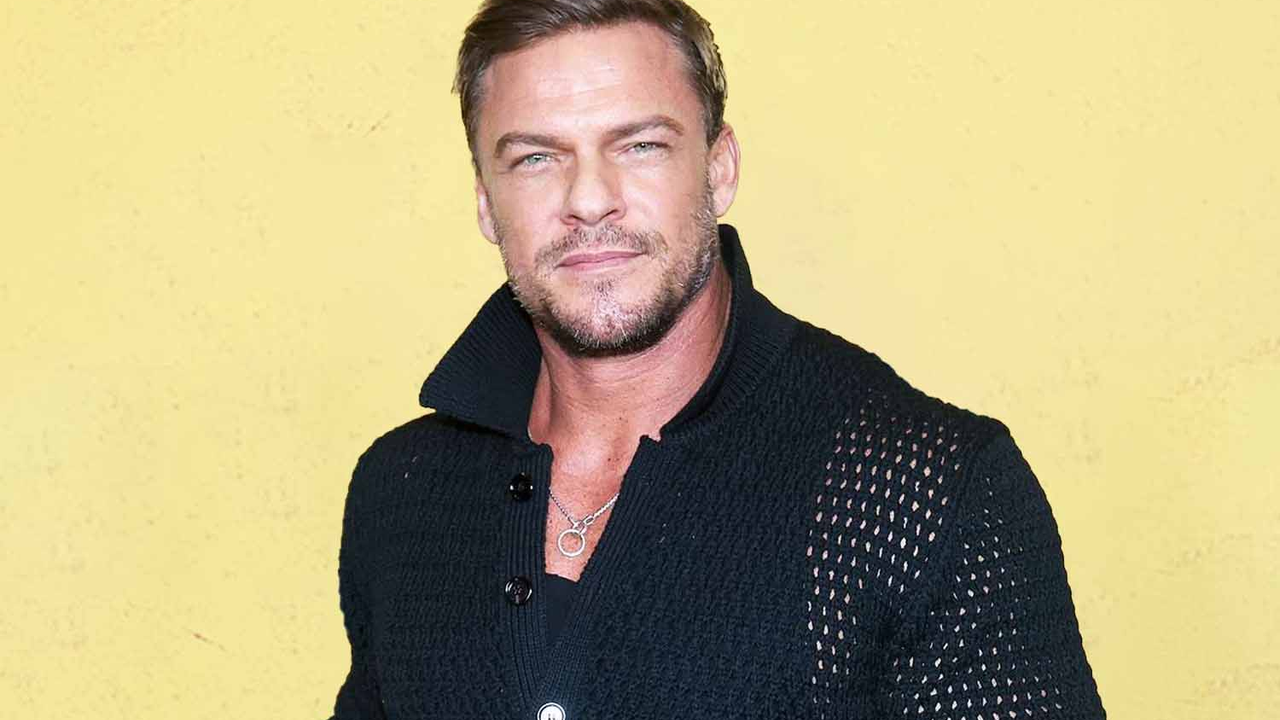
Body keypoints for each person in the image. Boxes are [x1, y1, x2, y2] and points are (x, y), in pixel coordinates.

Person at [329, 1, 1106, 718]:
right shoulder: (403, 488)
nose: (589, 199)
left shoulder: (925, 487)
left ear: (719, 167)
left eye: (640, 146)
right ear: (485, 202)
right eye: (536, 158)